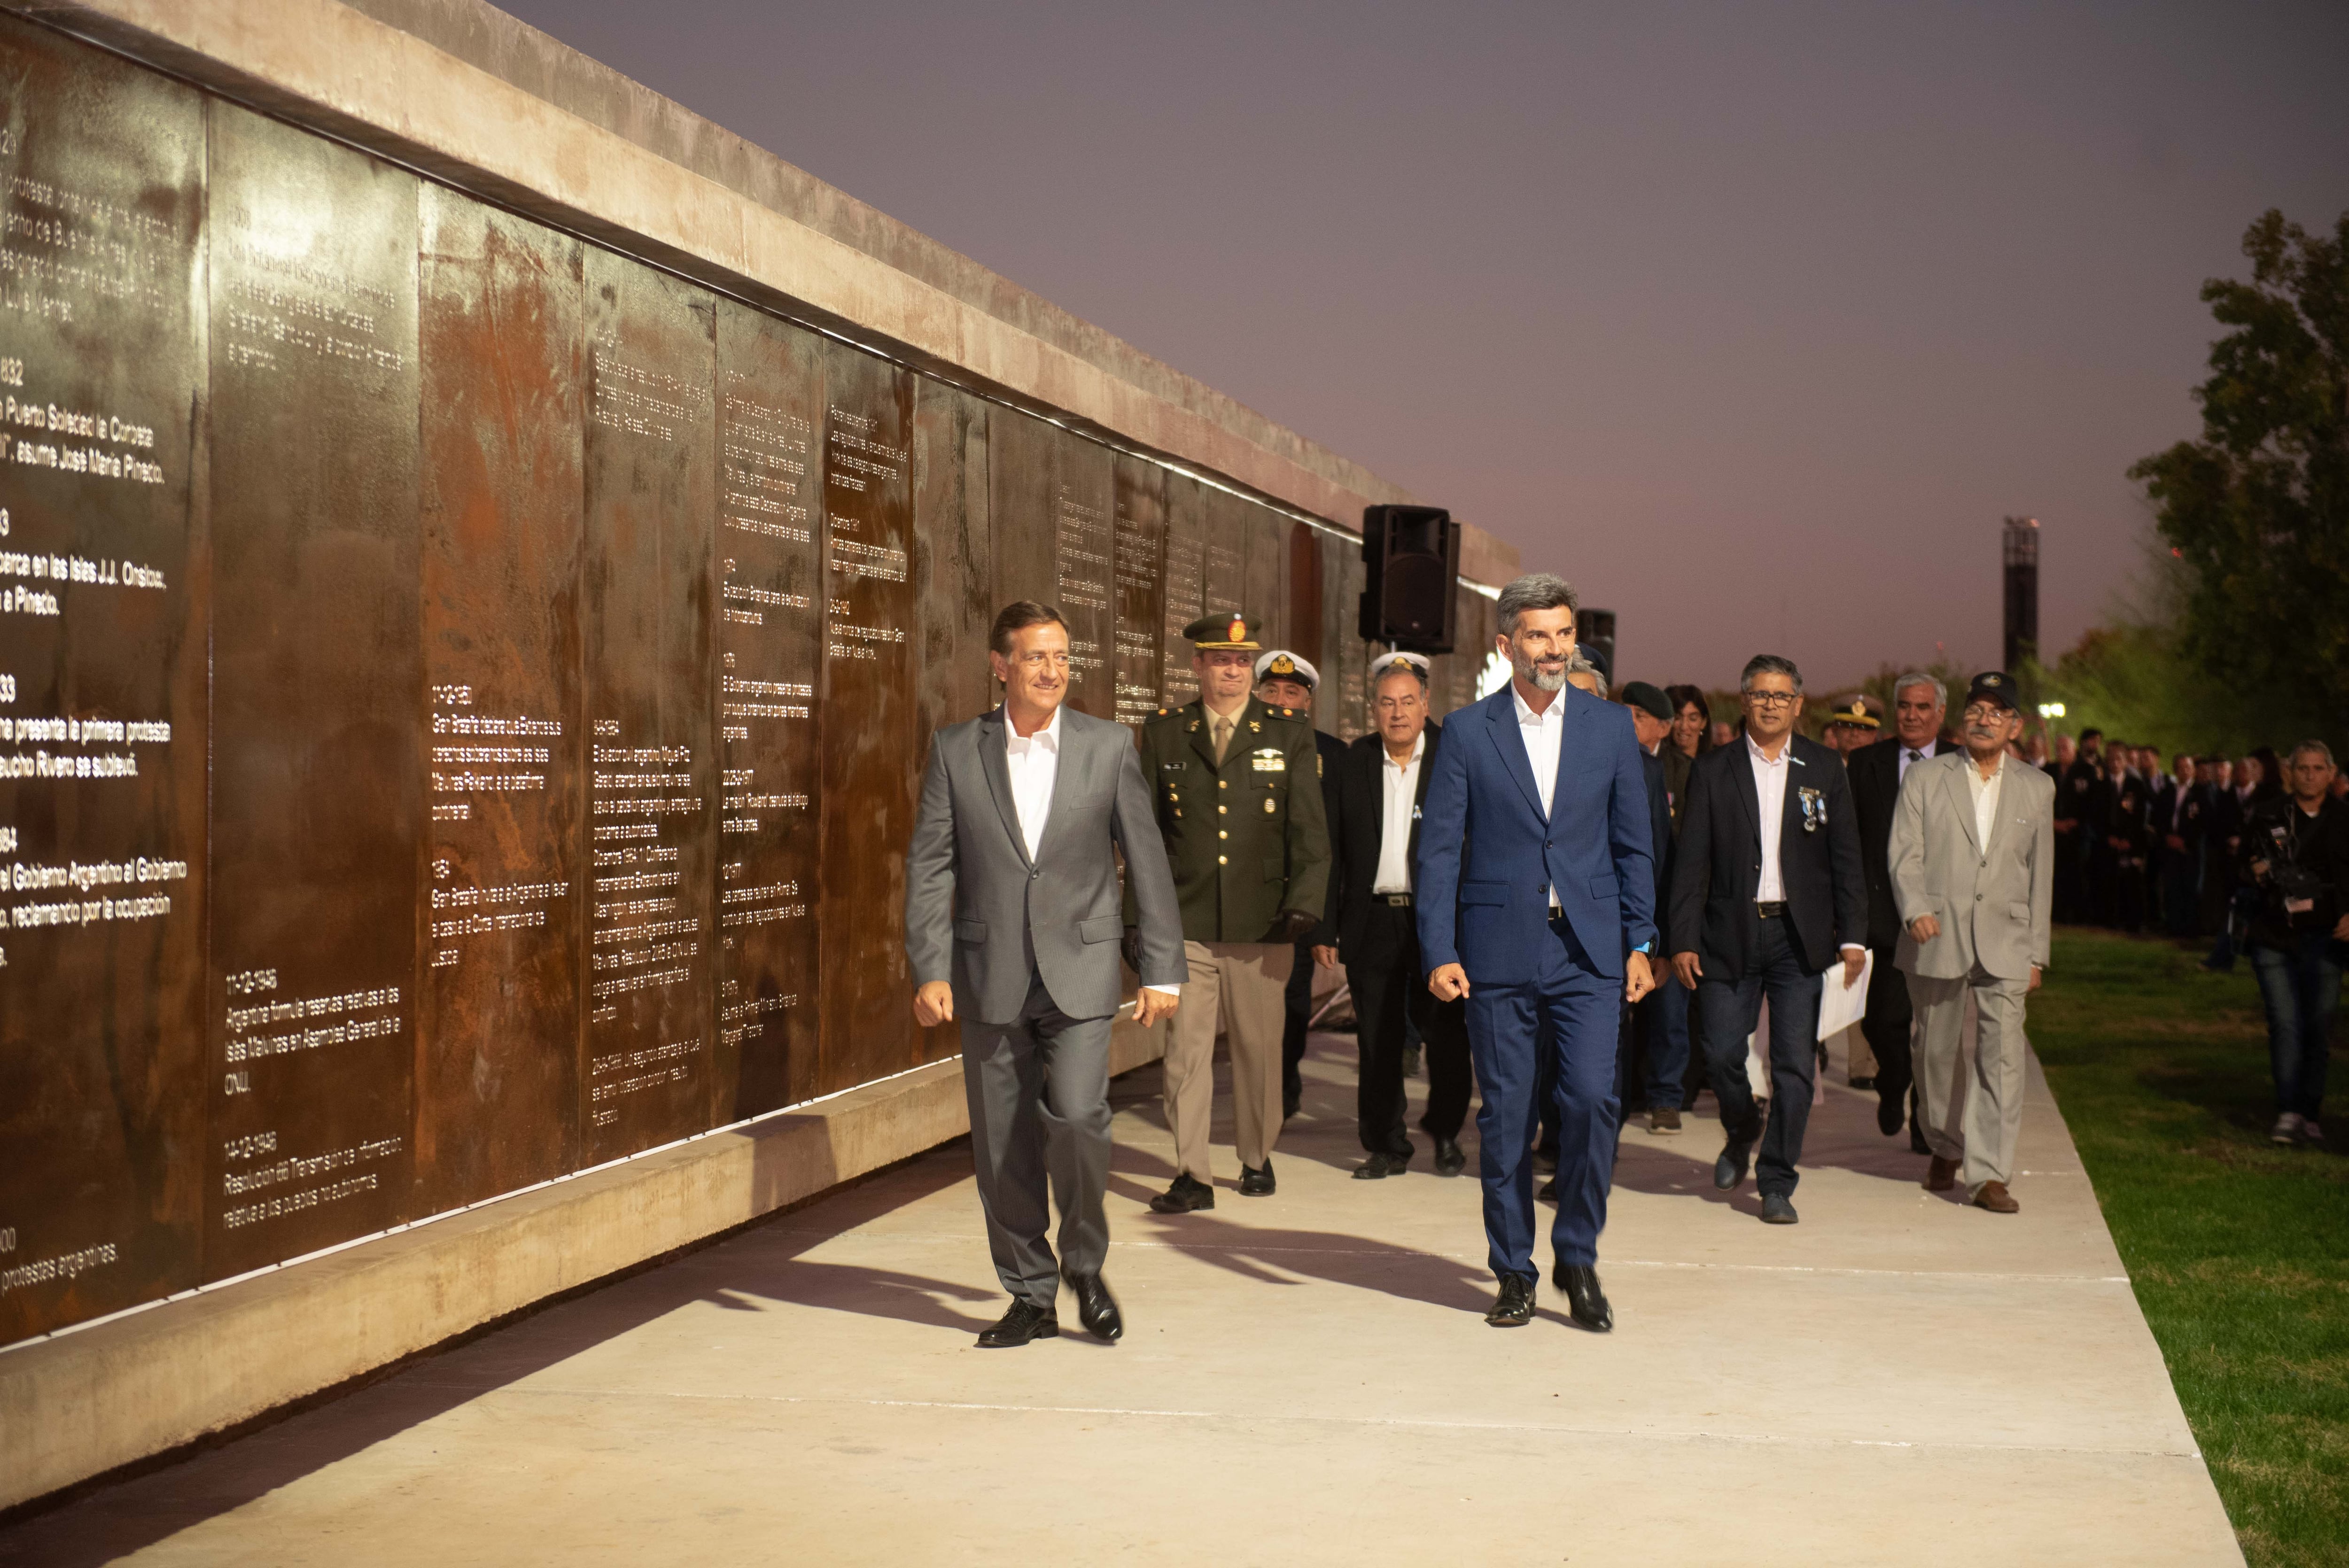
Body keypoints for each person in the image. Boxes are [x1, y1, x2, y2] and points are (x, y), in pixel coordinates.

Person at [904, 602, 1186, 1348]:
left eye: (1063, 657)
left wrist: (1161, 968)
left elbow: (1147, 863)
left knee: (1079, 1115)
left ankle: (1084, 1264)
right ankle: (1029, 1292)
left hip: (1083, 970)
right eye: (1037, 657)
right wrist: (931, 966)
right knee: (1001, 1145)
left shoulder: (1108, 746)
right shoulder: (957, 750)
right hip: (987, 971)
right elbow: (932, 866)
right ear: (1001, 665)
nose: (1054, 670)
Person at [1417, 573, 1656, 1331]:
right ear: (1506, 644)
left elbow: (1633, 846)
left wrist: (1641, 939)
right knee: (1508, 1117)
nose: (1554, 648)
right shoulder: (1465, 731)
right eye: (1538, 635)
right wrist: (1438, 947)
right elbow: (1439, 853)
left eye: (1563, 633)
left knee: (1591, 1101)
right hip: (1497, 951)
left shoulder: (1610, 728)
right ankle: (1513, 1268)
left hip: (1589, 951)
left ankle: (1577, 1254)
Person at [1135, 613, 1330, 1212]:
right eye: (1220, 659)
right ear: (1197, 665)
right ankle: (1191, 1173)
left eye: (1241, 660)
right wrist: (1135, 918)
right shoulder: (1166, 732)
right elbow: (1144, 835)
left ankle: (1255, 1155)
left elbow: (1307, 829)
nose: (1232, 669)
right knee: (1185, 1054)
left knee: (1257, 1049)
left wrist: (1304, 902)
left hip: (1263, 920)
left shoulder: (1289, 731)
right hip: (1186, 919)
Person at [1668, 654, 1867, 1226]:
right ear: (1743, 700)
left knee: (1794, 1068)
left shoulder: (1825, 767)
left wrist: (1853, 936)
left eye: (1781, 696)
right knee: (1721, 1053)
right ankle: (1741, 1128)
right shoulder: (1713, 769)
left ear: (1797, 704)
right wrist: (1682, 938)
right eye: (1760, 694)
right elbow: (1691, 865)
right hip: (1726, 934)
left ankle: (1776, 1179)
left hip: (1798, 938)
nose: (1771, 704)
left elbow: (1846, 859)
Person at [1888, 671, 2055, 1213]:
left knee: (2001, 1058)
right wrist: (1914, 907)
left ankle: (1987, 1175)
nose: (1984, 719)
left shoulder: (2037, 786)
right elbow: (1903, 852)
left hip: (2005, 940)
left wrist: (2035, 951)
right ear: (1962, 720)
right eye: (1976, 709)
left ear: (2014, 725)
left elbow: (2040, 876)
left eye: (1996, 711)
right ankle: (1944, 1143)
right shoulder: (1924, 778)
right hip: (1935, 932)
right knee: (1933, 1051)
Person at [1312, 652, 1472, 1178]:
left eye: (1408, 701)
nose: (1397, 712)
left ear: (1426, 704)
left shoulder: (1455, 755)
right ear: (1373, 708)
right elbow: (1332, 848)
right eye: (1386, 702)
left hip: (1439, 924)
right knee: (1377, 1039)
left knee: (1445, 1037)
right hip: (1371, 920)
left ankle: (1446, 1134)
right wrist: (1325, 924)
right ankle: (1385, 1144)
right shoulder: (1354, 761)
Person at [1848, 673, 1959, 1141]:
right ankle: (1893, 1082)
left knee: (1934, 1031)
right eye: (1903, 706)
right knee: (1882, 1021)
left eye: (1921, 707)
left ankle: (1924, 1120)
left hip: (1943, 918)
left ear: (1939, 713)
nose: (1911, 715)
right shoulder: (1865, 762)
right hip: (1883, 917)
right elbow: (1848, 841)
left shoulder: (1962, 762)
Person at [2239, 741, 2349, 1147]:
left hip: (2326, 937)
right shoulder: (2269, 815)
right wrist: (2256, 870)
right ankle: (2288, 1111)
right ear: (2290, 771)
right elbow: (2239, 867)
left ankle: (2311, 1111)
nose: (2310, 775)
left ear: (2331, 773)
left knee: (2318, 1027)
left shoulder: (2344, 818)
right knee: (2285, 1023)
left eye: (2319, 768)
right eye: (2303, 768)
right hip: (2275, 934)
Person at [1257, 649, 1349, 1123]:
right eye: (1270, 690)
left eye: (1291, 692)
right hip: (1244, 907)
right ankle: (1263, 1089)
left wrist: (1323, 926)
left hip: (1298, 910)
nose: (1280, 700)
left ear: (1307, 702)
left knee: (1292, 1007)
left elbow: (1338, 846)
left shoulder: (1331, 757)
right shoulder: (1234, 746)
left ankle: (1283, 1082)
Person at [1618, 682, 1686, 1132]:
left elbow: (1671, 857)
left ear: (1664, 725)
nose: (1629, 721)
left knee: (1667, 1013)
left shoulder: (1683, 771)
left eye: (1640, 716)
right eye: (1625, 712)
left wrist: (1666, 934)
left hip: (1666, 907)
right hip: (1620, 908)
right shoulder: (1608, 759)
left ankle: (1665, 1095)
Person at [2153, 752, 2205, 938]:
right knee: (2172, 887)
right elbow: (2157, 819)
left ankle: (2189, 928)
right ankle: (2173, 925)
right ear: (2175, 770)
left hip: (2189, 849)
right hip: (2170, 847)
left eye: (2188, 767)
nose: (2185, 771)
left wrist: (2186, 842)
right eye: (2181, 768)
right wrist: (2167, 837)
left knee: (2189, 888)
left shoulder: (2201, 793)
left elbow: (2203, 823)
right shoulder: (2167, 792)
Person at [2053, 731, 2100, 924]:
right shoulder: (2049, 770)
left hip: (2078, 833)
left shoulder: (2087, 772)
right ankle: (2058, 912)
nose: (2061, 751)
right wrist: (2054, 822)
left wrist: (2076, 822)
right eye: (2058, 748)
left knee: (2078, 873)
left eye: (2065, 748)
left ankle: (2080, 914)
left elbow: (2093, 803)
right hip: (2054, 831)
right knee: (2057, 873)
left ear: (2074, 750)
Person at [1820, 696, 1879, 760]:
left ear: (1874, 734)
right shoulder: (1818, 769)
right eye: (1848, 726)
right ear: (1835, 730)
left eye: (1863, 728)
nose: (1855, 734)